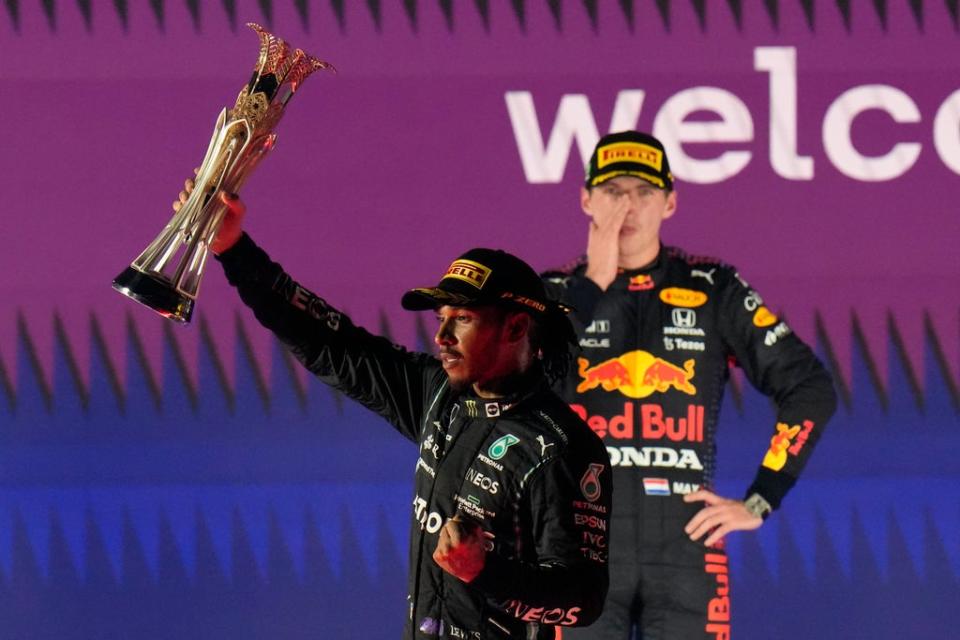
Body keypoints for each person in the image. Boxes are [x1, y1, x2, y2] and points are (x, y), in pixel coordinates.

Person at [179, 186, 613, 639]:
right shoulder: (439, 395)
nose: (442, 334)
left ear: (517, 327)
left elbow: (583, 600)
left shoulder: (562, 449)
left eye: (461, 318)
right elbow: (331, 342)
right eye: (440, 317)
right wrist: (233, 248)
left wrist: (485, 572)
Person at [541, 131, 838, 639]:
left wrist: (761, 498)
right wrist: (593, 285)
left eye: (645, 191)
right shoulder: (552, 295)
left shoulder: (712, 288)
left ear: (670, 202)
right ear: (586, 199)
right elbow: (508, 391)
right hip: (577, 550)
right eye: (613, 192)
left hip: (686, 554)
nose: (628, 206)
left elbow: (810, 387)